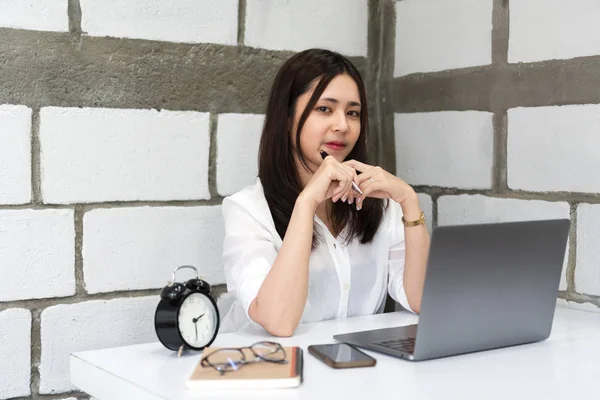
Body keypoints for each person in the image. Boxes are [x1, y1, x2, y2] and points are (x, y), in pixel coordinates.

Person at [217, 48, 430, 336]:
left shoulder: (379, 204)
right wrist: (306, 204)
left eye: (353, 113)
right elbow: (278, 320)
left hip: (350, 372)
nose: (343, 126)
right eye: (324, 109)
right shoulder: (248, 209)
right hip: (264, 368)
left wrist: (408, 201)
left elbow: (421, 300)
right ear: (288, 116)